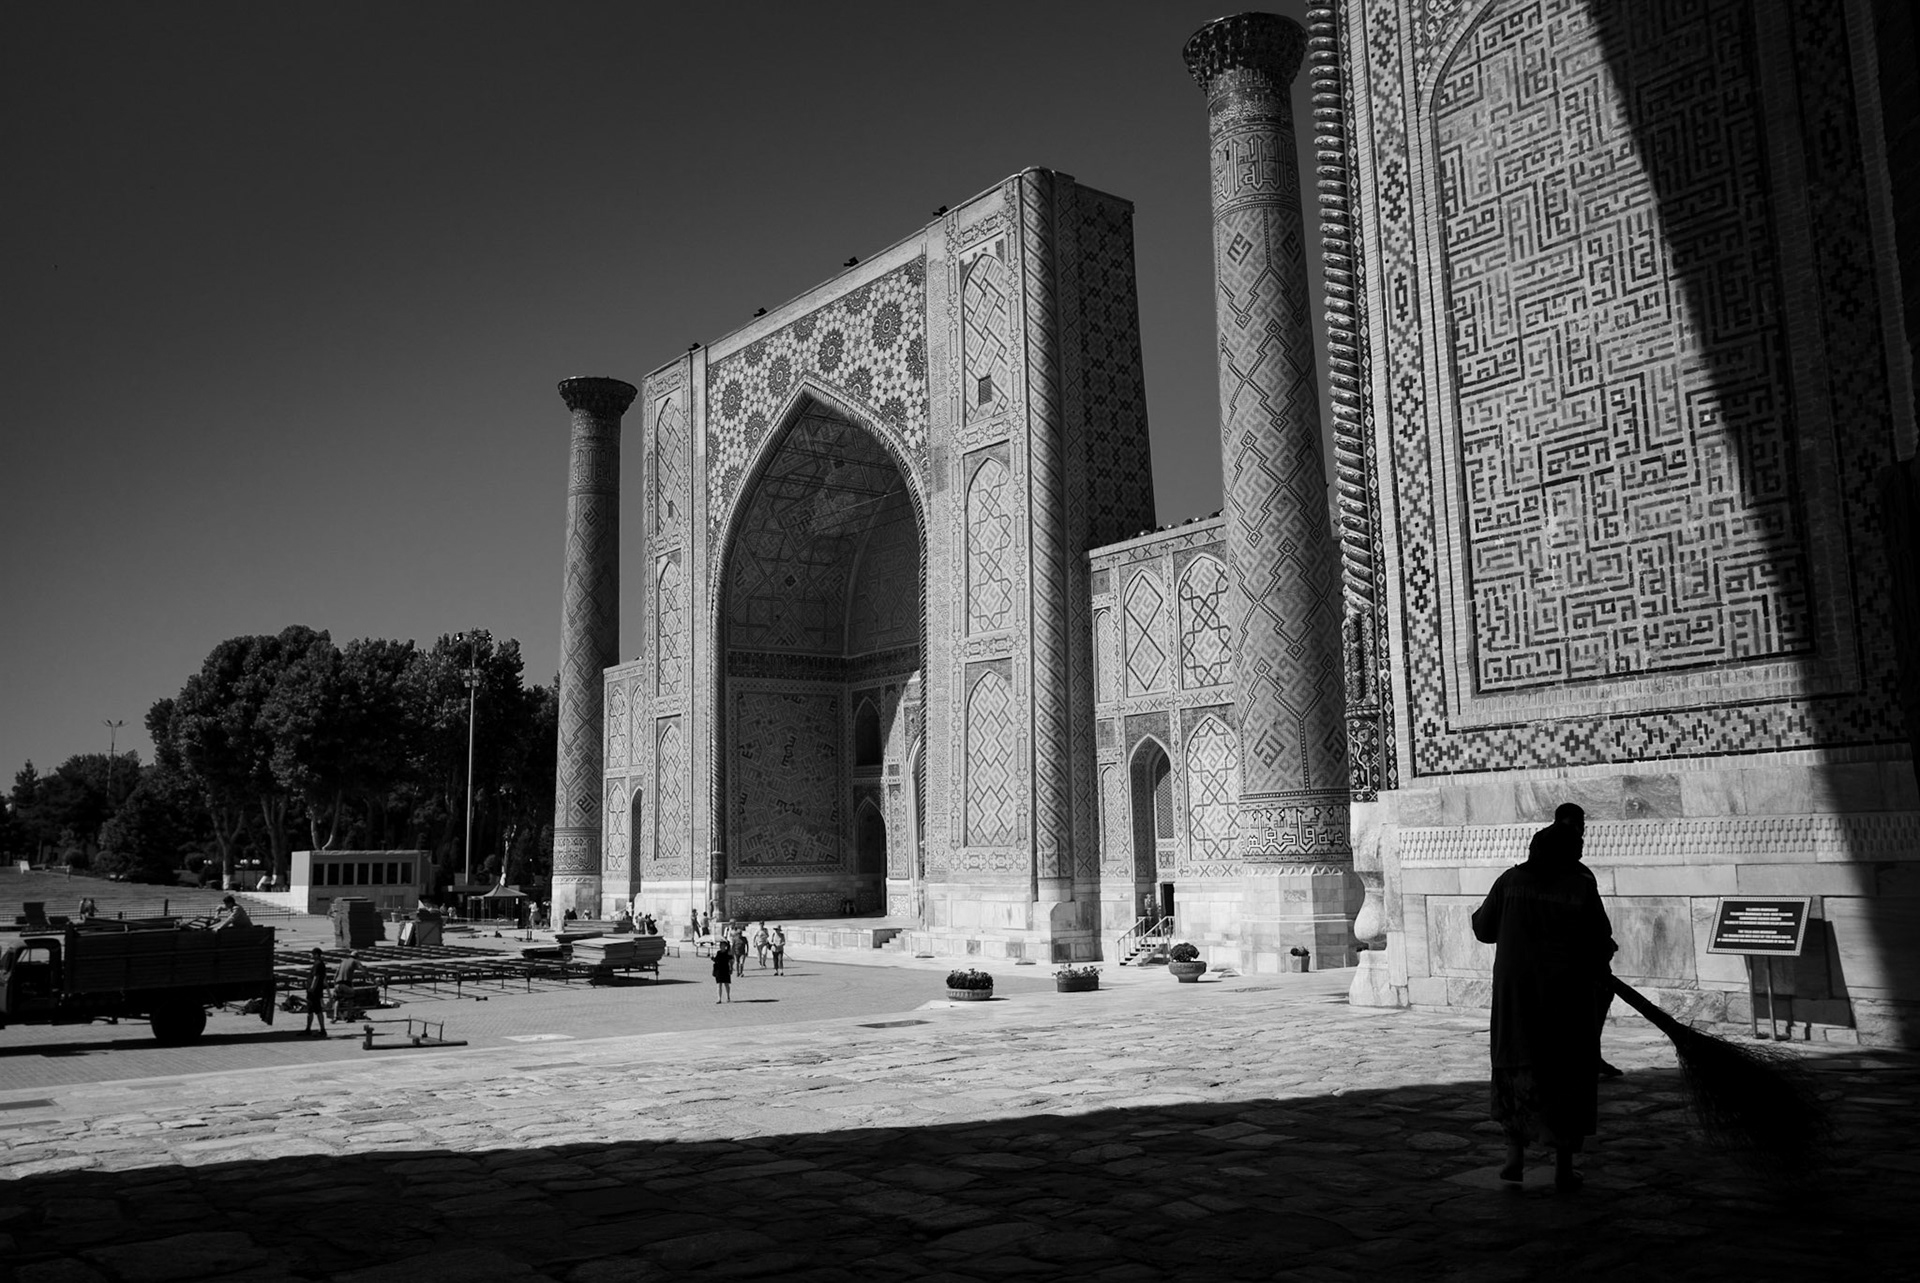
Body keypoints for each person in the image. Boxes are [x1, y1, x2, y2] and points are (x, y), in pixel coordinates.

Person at [1471, 804, 1617, 1192]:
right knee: (1566, 1075)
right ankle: (1563, 1167)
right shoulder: (1579, 885)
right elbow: (1601, 938)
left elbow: (1483, 929)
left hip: (1516, 998)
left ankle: (1513, 1158)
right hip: (1565, 999)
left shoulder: (1510, 881)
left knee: (1516, 1067)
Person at [302, 948, 330, 1037]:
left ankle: (321, 1030)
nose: (311, 955)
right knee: (313, 1010)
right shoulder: (319, 964)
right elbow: (324, 977)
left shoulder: (318, 964)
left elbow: (316, 977)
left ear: (316, 954)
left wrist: (311, 988)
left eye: (312, 954)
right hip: (315, 991)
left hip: (314, 991)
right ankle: (310, 1029)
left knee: (315, 1010)